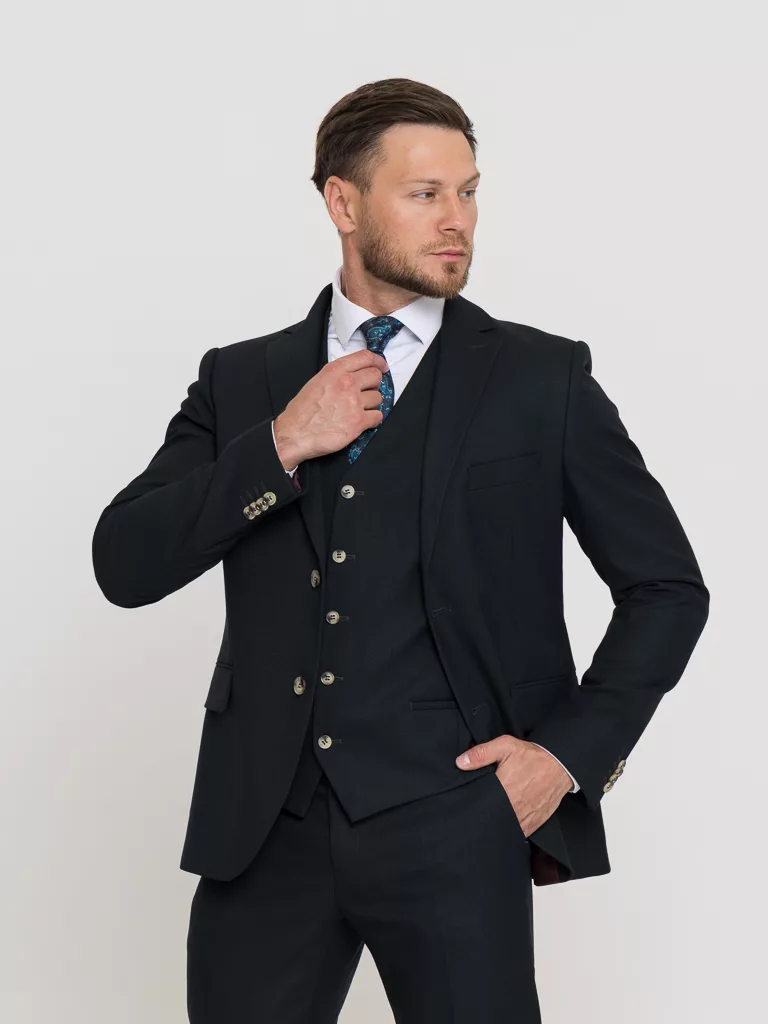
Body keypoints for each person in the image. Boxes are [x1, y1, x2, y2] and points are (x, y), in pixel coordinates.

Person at [92, 77, 709, 1023]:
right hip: (266, 831)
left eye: (468, 192)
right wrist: (282, 442)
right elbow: (124, 564)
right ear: (343, 204)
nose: (457, 219)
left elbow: (667, 588)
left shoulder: (541, 378)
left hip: (458, 818)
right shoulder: (242, 379)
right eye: (425, 194)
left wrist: (565, 757)